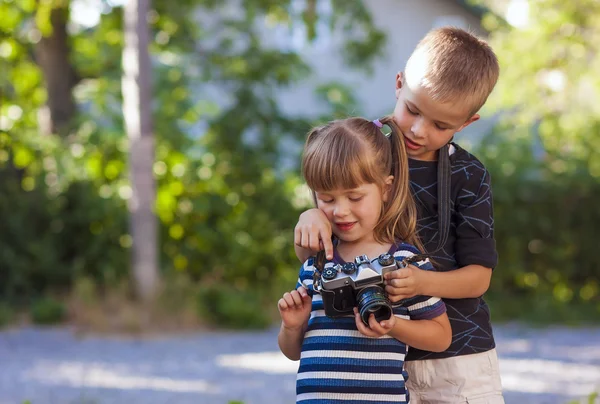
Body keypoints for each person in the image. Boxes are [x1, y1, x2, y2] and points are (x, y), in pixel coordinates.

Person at [294, 27, 505, 403]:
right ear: (399, 84)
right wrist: (311, 215)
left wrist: (422, 283)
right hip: (376, 361)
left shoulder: (469, 176)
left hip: (457, 359)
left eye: (441, 125)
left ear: (466, 122)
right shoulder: (364, 152)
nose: (419, 130)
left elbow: (478, 278)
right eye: (412, 110)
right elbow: (321, 251)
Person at [278, 116, 452, 403]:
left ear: (386, 189)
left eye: (355, 197)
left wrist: (393, 325)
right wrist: (292, 326)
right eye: (327, 199)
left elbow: (441, 336)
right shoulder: (316, 265)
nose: (340, 212)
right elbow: (293, 352)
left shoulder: (404, 263)